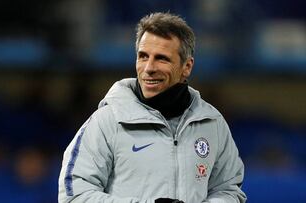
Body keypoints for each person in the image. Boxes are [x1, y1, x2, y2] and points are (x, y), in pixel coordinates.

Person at [58, 12, 246, 203]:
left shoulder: (212, 123)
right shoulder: (107, 122)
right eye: (143, 56)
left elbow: (229, 190)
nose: (148, 68)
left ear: (186, 67)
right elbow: (74, 196)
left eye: (161, 58)